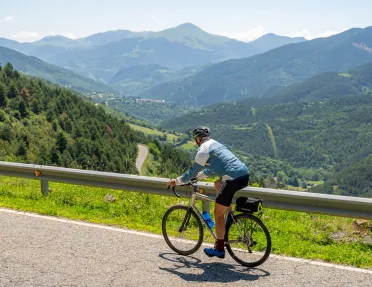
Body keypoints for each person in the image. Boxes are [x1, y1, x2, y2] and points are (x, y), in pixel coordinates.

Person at [168, 126, 249, 259]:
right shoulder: (215, 144)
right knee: (217, 184)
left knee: (217, 214)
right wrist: (198, 177)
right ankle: (229, 210)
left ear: (198, 139)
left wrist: (176, 182)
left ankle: (219, 249)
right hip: (244, 174)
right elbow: (211, 169)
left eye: (195, 139)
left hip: (232, 179)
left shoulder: (202, 151)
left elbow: (191, 172)